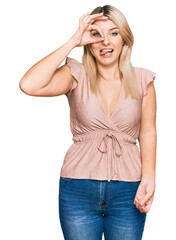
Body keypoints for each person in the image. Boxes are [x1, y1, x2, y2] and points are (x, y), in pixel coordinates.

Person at [19, 4, 157, 240]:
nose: (105, 41)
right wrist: (73, 40)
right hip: (77, 189)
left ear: (124, 38)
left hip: (128, 190)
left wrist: (150, 177)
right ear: (88, 42)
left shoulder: (143, 79)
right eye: (96, 34)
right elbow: (29, 85)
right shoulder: (75, 75)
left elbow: (148, 132)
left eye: (113, 33)